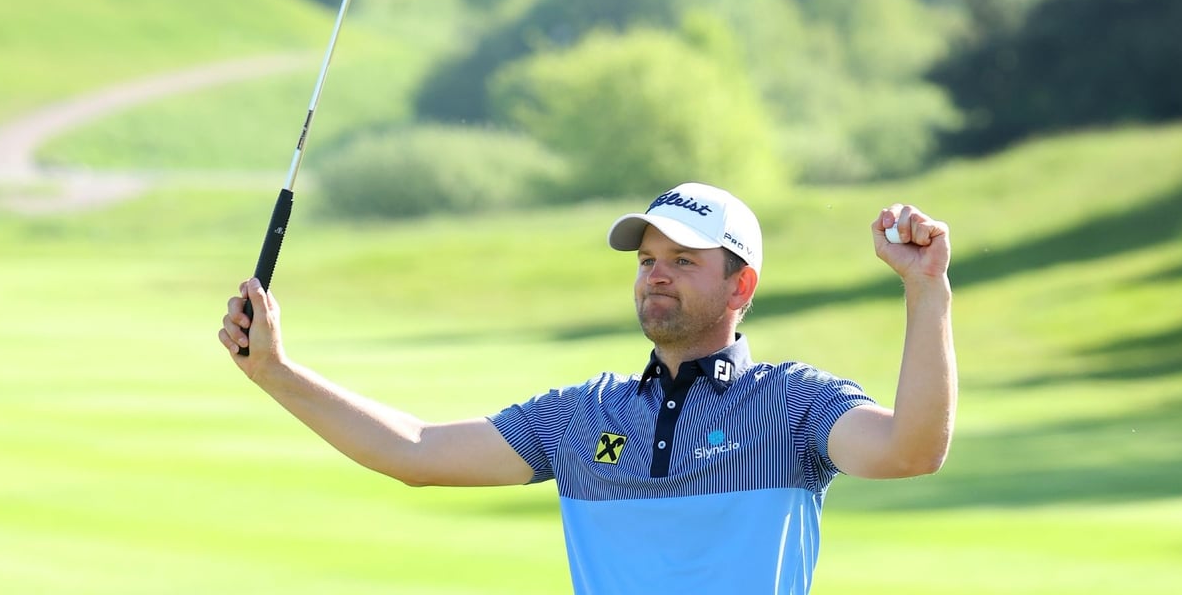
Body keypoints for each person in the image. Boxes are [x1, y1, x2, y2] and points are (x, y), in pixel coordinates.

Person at [218, 182, 956, 595]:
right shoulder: (584, 414)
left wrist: (926, 291)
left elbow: (912, 450)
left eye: (683, 261)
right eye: (647, 260)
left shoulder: (792, 405)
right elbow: (415, 451)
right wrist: (276, 372)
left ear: (741, 286)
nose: (656, 274)